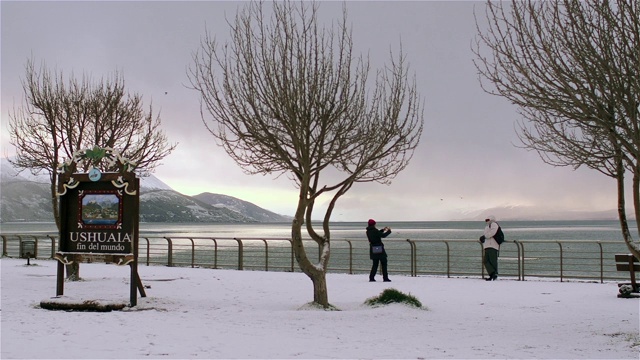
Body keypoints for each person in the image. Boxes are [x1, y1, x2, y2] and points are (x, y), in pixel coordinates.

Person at [479, 215, 500, 281]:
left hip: (492, 246)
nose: (486, 221)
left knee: (492, 261)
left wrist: (484, 236)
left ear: (491, 219)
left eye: (488, 219)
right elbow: (488, 234)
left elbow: (492, 233)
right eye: (486, 220)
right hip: (488, 246)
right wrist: (484, 238)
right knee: (486, 261)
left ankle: (493, 275)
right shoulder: (487, 226)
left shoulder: (494, 224)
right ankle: (492, 274)